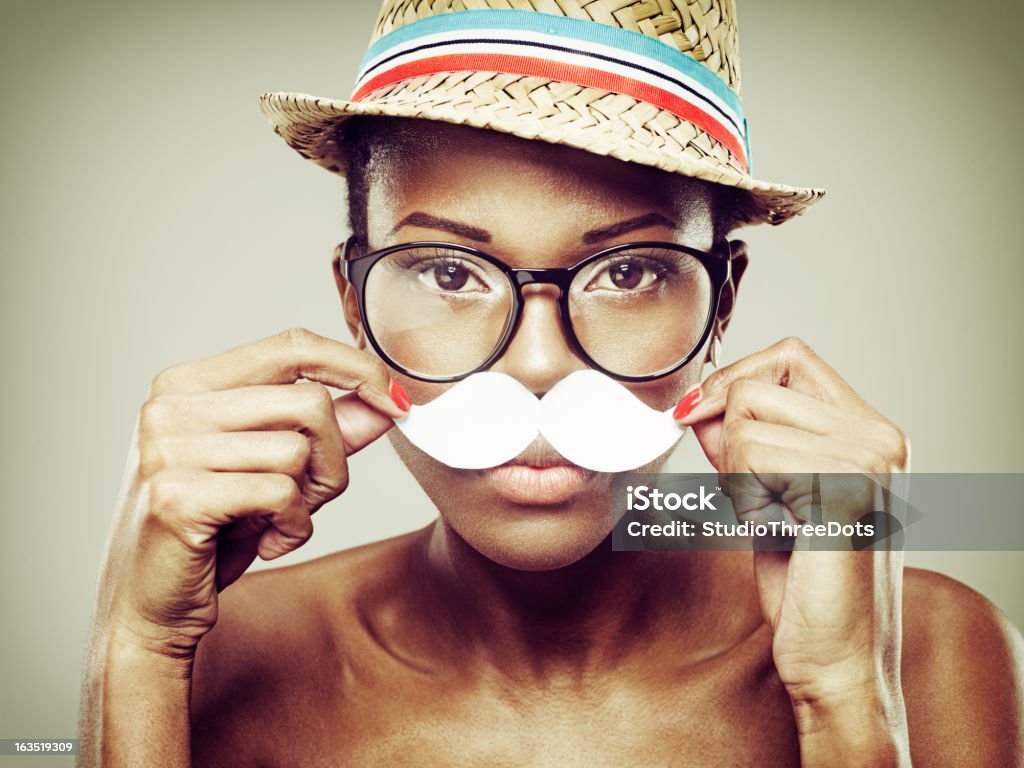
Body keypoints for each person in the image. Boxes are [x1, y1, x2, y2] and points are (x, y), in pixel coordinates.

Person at [80, 1, 1023, 765]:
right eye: (449, 273)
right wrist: (135, 655)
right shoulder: (218, 653)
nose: (537, 363)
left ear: (722, 299)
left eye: (628, 272)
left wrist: (844, 699)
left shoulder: (935, 652)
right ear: (352, 302)